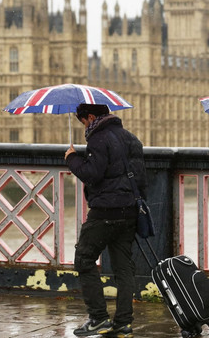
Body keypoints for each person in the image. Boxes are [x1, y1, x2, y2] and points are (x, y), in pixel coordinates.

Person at [64, 103, 147, 337]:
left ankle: (99, 318)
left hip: (105, 211)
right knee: (123, 267)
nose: (83, 126)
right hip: (130, 210)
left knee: (84, 259)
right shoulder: (132, 138)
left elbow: (92, 174)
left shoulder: (98, 139)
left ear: (90, 117)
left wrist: (72, 159)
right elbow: (141, 179)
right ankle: (123, 323)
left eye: (82, 121)